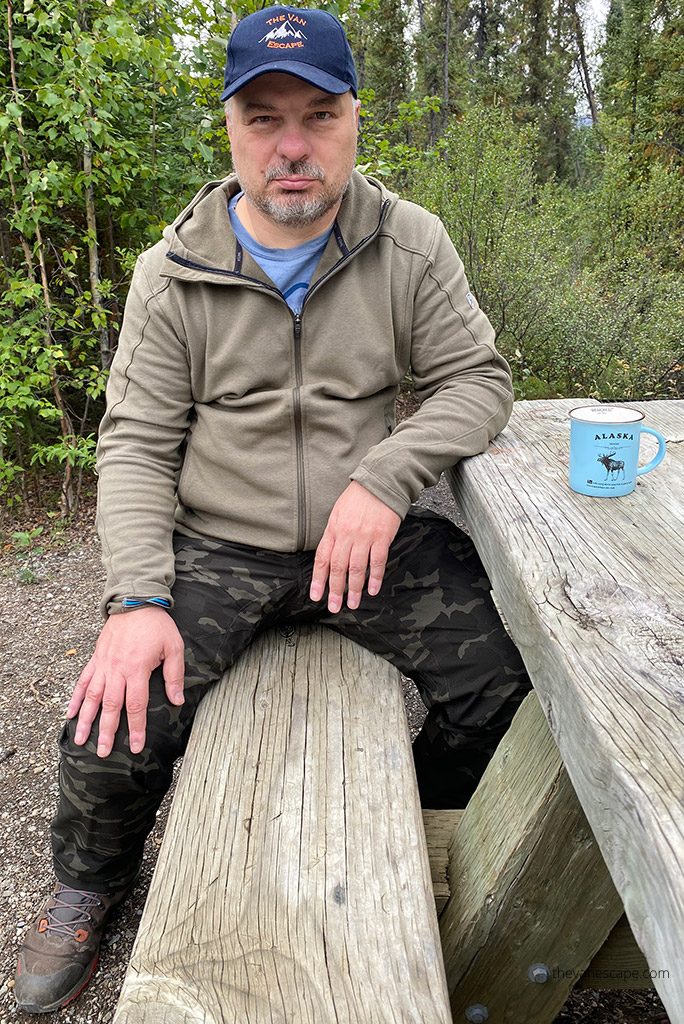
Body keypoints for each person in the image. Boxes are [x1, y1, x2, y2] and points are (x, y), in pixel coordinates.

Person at [15, 5, 531, 1013]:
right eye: (263, 118)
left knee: (513, 700)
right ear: (230, 127)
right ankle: (89, 880)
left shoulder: (410, 244)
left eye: (318, 116)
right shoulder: (174, 272)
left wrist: (383, 481)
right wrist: (134, 600)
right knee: (110, 720)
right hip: (218, 543)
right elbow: (134, 443)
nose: (292, 146)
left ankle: (415, 824)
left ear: (353, 122)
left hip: (373, 542)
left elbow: (479, 381)